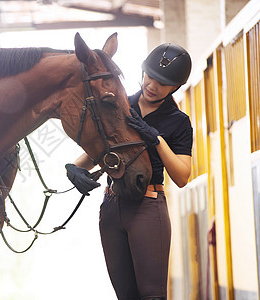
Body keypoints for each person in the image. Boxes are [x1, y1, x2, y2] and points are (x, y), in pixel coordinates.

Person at [65, 43, 193, 299]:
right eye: (150, 76)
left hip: (148, 207)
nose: (152, 85)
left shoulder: (179, 122)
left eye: (162, 83)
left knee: (152, 295)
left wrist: (156, 140)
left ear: (175, 88)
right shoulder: (121, 105)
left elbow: (181, 176)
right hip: (112, 206)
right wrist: (73, 168)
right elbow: (97, 152)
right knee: (125, 296)